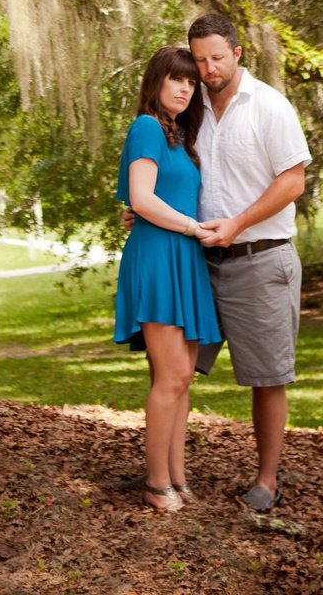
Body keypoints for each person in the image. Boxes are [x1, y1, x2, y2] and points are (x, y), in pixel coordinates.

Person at [188, 11, 311, 514]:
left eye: (217, 57)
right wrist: (144, 204)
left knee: (266, 376)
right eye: (199, 60)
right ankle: (166, 472)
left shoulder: (269, 106)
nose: (208, 69)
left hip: (260, 260)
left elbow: (292, 181)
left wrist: (237, 224)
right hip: (196, 259)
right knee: (174, 367)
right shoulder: (189, 104)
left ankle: (266, 480)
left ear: (237, 53)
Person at [113, 44, 222, 513]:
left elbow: (157, 197)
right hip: (160, 258)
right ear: (156, 82)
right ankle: (156, 483)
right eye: (176, 78)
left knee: (182, 379)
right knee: (172, 374)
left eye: (190, 81)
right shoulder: (146, 127)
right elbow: (141, 197)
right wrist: (191, 227)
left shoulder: (180, 135)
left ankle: (177, 476)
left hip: (185, 258)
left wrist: (183, 226)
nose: (184, 87)